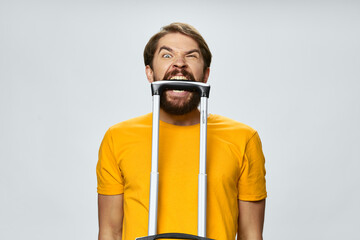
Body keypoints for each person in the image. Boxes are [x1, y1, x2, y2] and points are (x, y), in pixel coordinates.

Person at [97, 22, 267, 240]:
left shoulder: (243, 138)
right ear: (149, 72)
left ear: (205, 75)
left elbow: (251, 234)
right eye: (167, 56)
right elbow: (110, 231)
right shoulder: (117, 138)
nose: (179, 64)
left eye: (191, 56)